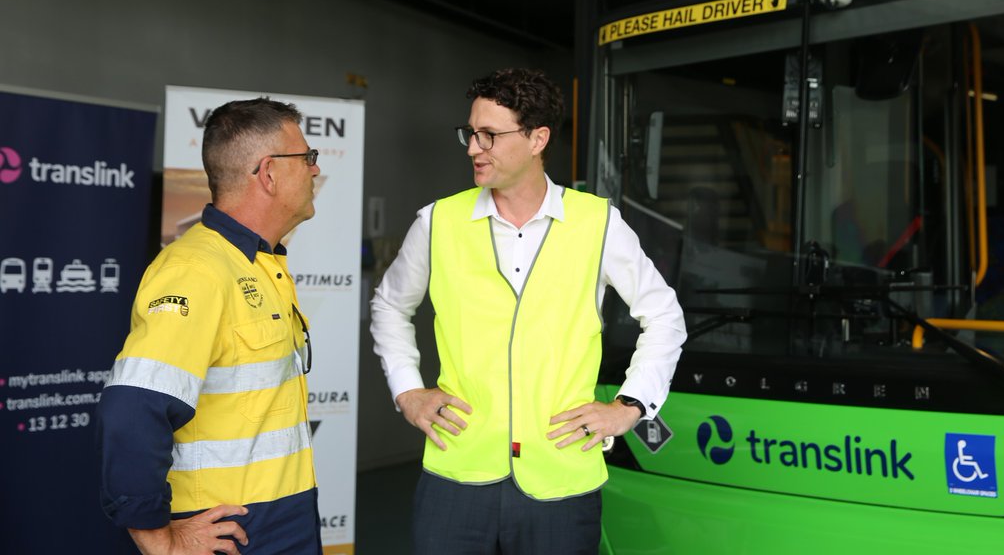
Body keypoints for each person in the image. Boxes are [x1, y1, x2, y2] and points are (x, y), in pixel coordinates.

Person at [370, 67, 687, 554]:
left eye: (489, 136)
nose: (474, 148)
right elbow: (391, 305)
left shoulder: (597, 222)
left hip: (561, 478)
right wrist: (408, 391)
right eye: (470, 134)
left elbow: (664, 315)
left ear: (538, 138)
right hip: (457, 473)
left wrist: (631, 407)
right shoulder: (438, 222)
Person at [97, 98, 323, 555]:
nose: (315, 171)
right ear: (269, 172)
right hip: (234, 531)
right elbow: (131, 411)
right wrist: (159, 541)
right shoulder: (197, 270)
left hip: (282, 517)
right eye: (308, 158)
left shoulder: (260, 264)